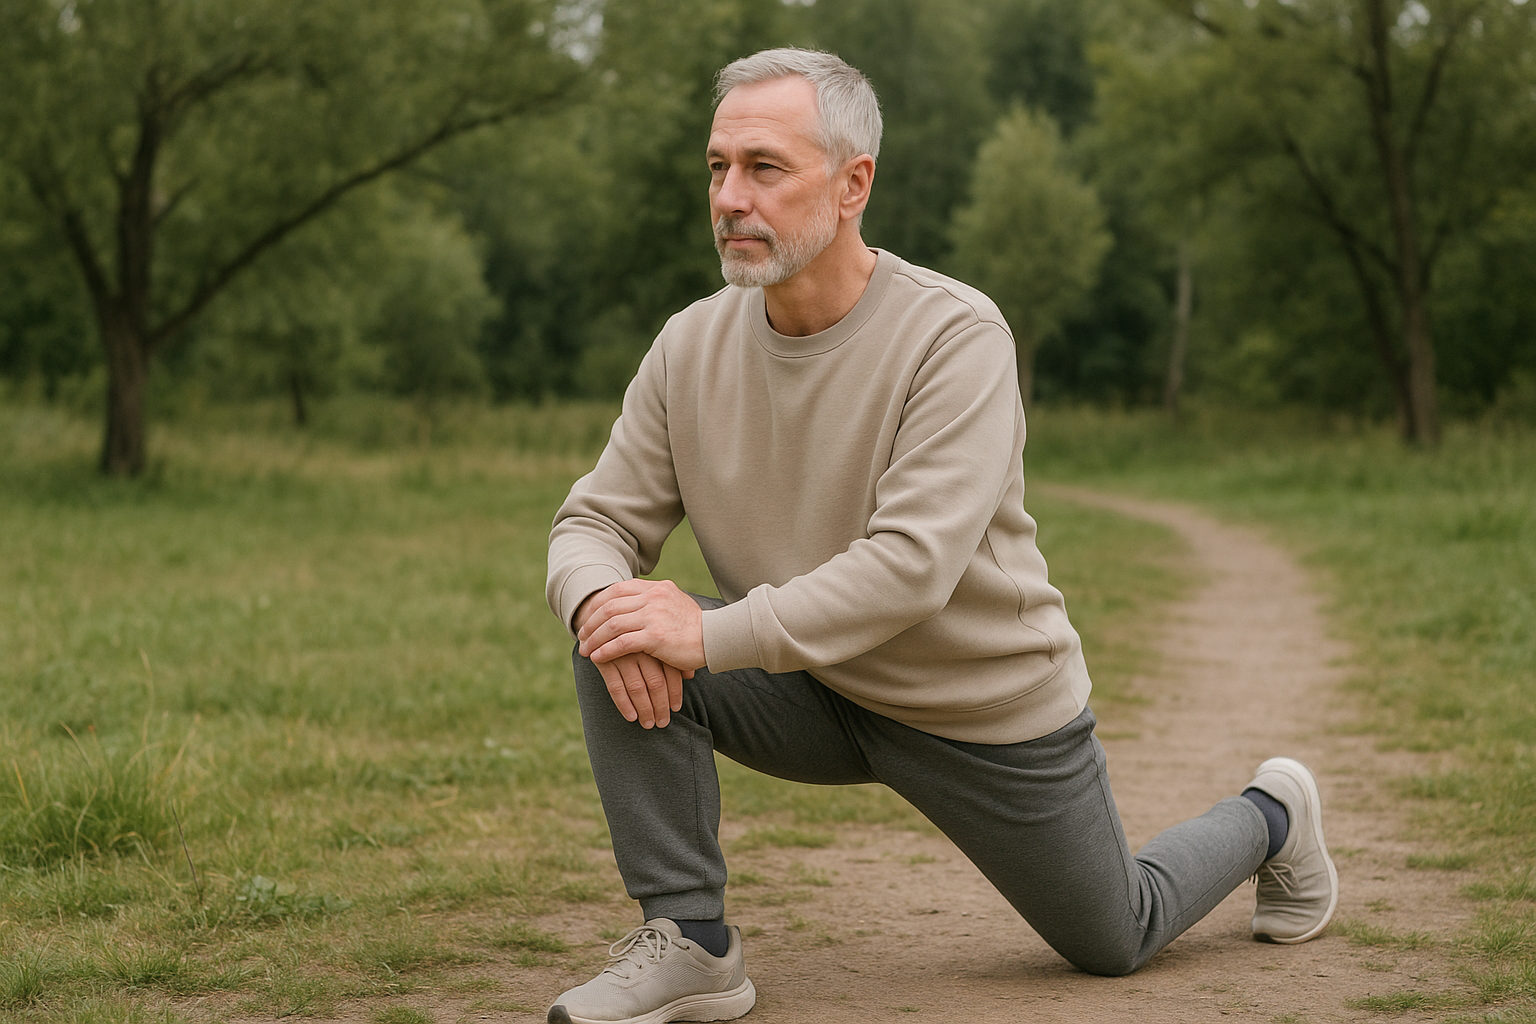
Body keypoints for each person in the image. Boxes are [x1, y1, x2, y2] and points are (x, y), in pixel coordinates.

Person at [543, 47, 1337, 1024]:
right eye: (718, 167)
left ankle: (1272, 814)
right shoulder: (689, 345)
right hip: (809, 685)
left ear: (853, 185)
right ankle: (691, 941)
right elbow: (594, 520)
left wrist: (703, 633)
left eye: (764, 167)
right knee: (616, 627)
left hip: (977, 709)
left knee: (1115, 936)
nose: (730, 197)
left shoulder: (955, 336)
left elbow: (909, 569)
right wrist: (599, 600)